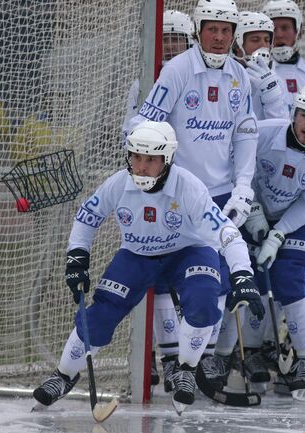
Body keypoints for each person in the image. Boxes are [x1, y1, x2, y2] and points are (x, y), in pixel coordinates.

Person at [31, 121, 264, 414]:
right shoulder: (118, 183)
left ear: (167, 160)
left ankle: (185, 370)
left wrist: (243, 274)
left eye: (150, 159)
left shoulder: (189, 187)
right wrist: (77, 257)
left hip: (188, 253)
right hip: (137, 255)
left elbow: (227, 233)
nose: (140, 166)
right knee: (100, 316)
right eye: (136, 157)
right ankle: (63, 375)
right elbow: (86, 217)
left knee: (204, 301)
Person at [125, 0, 260, 390]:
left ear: (233, 34)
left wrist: (243, 187)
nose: (218, 37)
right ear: (199, 30)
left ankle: (199, 362)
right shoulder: (178, 68)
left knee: (213, 277)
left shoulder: (239, 75)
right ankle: (170, 361)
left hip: (218, 195)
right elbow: (150, 121)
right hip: (176, 191)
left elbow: (246, 135)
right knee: (167, 274)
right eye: (211, 29)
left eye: (225, 30)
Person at [201, 83, 305, 401]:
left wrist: (278, 234)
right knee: (237, 274)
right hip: (256, 206)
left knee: (289, 277)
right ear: (294, 113)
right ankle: (220, 356)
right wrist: (252, 211)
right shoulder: (263, 134)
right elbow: (237, 171)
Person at [120, 9, 195, 392]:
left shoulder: (191, 78)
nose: (169, 46)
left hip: (182, 190)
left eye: (176, 39)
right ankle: (145, 356)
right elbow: (127, 130)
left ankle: (172, 357)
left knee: (178, 276)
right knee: (144, 274)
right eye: (164, 39)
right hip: (148, 190)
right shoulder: (144, 82)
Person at [261, 0, 305, 111]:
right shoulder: (257, 74)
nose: (279, 35)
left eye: (285, 28)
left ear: (298, 31)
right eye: (273, 29)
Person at [231, 11, 289, 120]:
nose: (263, 45)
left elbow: (281, 126)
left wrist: (272, 96)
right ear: (237, 45)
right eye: (255, 40)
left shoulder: (276, 81)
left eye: (267, 40)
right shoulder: (226, 76)